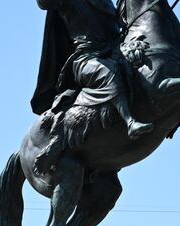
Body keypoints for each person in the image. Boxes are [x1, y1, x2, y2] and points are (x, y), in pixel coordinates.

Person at [33, 0, 153, 140]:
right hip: (85, 58)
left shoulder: (106, 2)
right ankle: (131, 122)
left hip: (114, 50)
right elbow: (45, 3)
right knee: (108, 72)